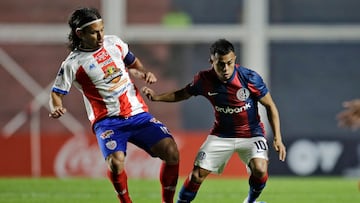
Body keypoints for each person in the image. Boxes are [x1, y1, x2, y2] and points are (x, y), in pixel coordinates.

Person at [48, 7, 179, 203]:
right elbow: (56, 94)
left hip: (137, 114)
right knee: (116, 163)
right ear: (79, 33)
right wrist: (56, 107)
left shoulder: (114, 43)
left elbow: (133, 63)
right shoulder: (73, 63)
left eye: (101, 29)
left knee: (171, 151)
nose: (100, 35)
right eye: (94, 32)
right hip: (108, 122)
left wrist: (143, 73)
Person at [142, 39, 287, 203]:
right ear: (212, 62)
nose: (225, 69)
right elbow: (183, 93)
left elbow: (270, 105)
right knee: (196, 175)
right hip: (221, 135)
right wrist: (157, 97)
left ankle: (250, 201)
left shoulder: (249, 78)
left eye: (229, 63)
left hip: (251, 134)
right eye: (220, 64)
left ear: (234, 59)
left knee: (260, 170)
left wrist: (277, 138)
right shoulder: (204, 80)